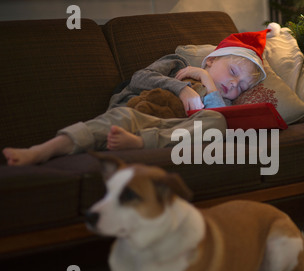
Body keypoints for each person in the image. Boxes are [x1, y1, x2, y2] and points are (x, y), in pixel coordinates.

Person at [3, 27, 274, 166]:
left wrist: (205, 81)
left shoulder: (217, 97)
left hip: (169, 129)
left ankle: (139, 143)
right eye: (233, 72)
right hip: (138, 112)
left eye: (241, 86)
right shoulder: (177, 65)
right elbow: (139, 78)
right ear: (211, 60)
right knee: (123, 116)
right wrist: (182, 87)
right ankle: (39, 151)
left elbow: (218, 117)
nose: (234, 84)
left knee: (216, 123)